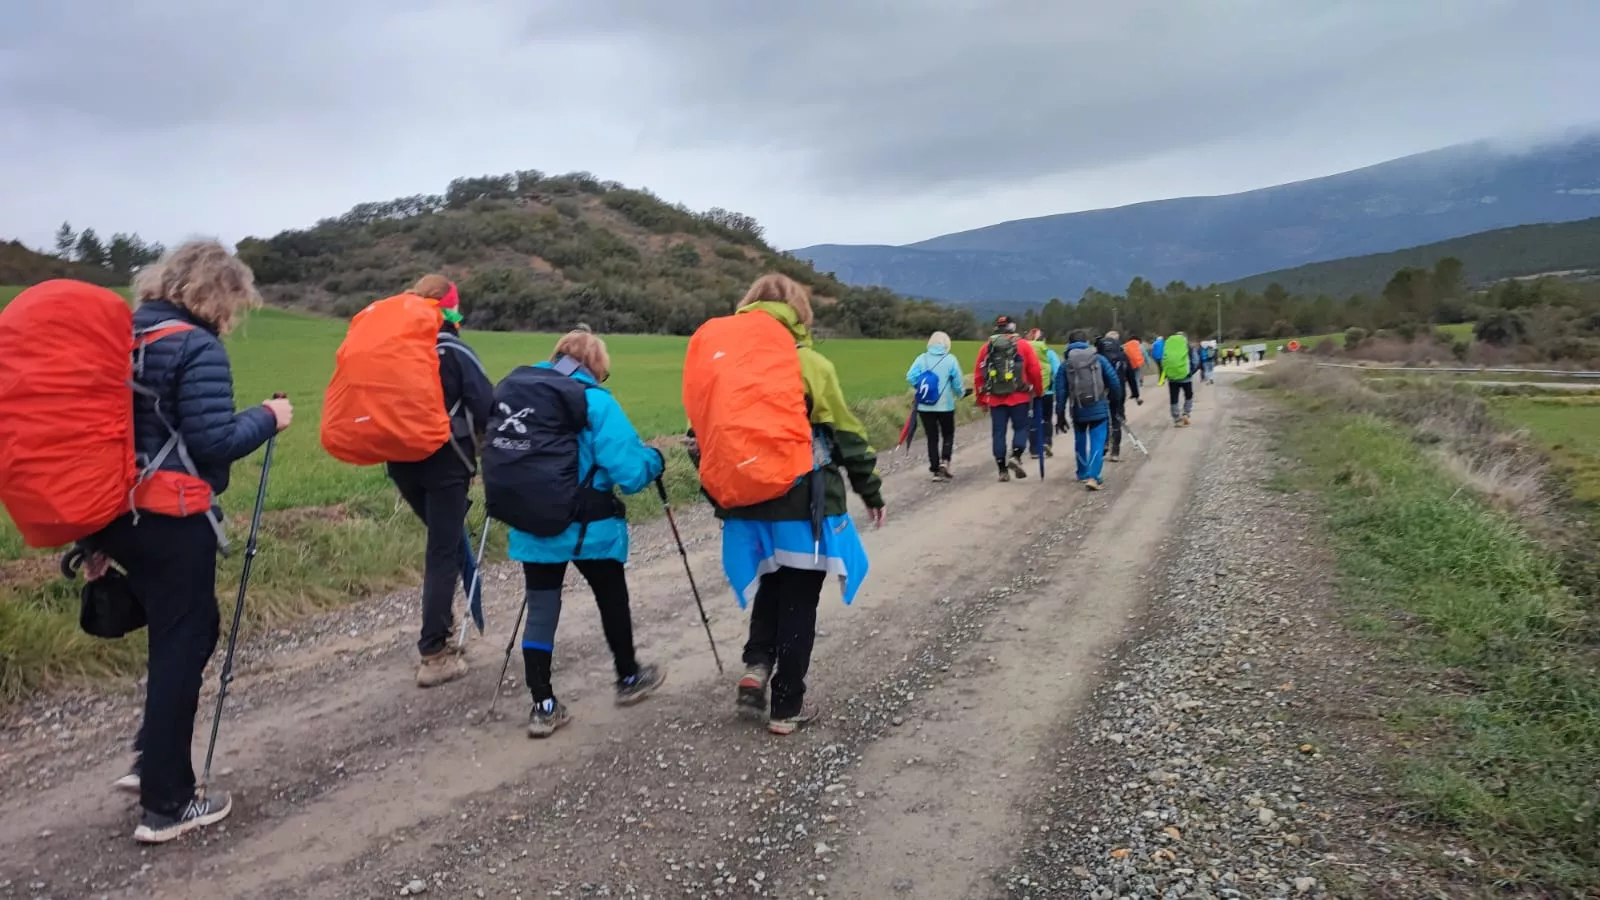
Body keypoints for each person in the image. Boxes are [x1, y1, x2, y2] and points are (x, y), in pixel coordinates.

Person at [81, 241, 293, 843]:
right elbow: (214, 441)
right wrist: (269, 416)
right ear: (217, 292)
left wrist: (93, 535)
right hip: (171, 518)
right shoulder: (196, 345)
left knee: (187, 630)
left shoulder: (121, 335)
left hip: (115, 514)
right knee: (185, 639)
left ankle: (152, 760)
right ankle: (167, 803)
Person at [697, 274, 884, 735]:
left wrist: (723, 495)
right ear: (800, 313)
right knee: (799, 598)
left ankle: (755, 667)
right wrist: (869, 489)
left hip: (744, 503)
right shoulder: (809, 364)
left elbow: (701, 438)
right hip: (803, 501)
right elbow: (845, 436)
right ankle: (786, 706)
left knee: (770, 584)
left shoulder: (720, 364)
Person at [507, 328, 668, 737]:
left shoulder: (518, 395)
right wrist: (656, 459)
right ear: (596, 367)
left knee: (542, 612)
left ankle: (543, 705)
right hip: (591, 529)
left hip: (532, 525)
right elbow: (630, 474)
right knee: (612, 599)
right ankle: (628, 679)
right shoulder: (595, 402)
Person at [385, 274, 495, 689]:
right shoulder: (453, 351)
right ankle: (433, 653)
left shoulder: (393, 350)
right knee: (443, 553)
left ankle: (443, 630)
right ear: (451, 310)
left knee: (442, 544)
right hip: (445, 464)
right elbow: (487, 408)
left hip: (400, 463)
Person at [974, 315, 1044, 482]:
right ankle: (1016, 456)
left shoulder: (987, 348)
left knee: (998, 433)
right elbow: (1034, 371)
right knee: (1021, 428)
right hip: (1020, 396)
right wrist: (1038, 391)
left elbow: (979, 375)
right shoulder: (1024, 346)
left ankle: (1001, 470)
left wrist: (981, 399)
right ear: (1012, 327)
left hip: (996, 398)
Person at [1056, 330, 1122, 490]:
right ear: (1086, 342)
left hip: (1078, 409)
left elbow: (1061, 392)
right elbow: (1114, 381)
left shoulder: (1066, 364)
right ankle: (1093, 476)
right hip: (1098, 406)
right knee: (1097, 442)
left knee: (1080, 441)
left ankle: (1082, 473)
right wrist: (1116, 402)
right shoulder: (1098, 359)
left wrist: (1060, 415)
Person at [905, 331, 965, 481]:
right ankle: (945, 462)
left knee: (932, 437)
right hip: (945, 405)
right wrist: (961, 393)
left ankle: (935, 470)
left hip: (925, 406)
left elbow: (910, 376)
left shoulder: (922, 358)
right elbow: (957, 383)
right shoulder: (950, 359)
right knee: (948, 434)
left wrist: (920, 387)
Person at [1095, 330, 1142, 462]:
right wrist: (1136, 394)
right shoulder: (1123, 355)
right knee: (1117, 419)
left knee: (1103, 418)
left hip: (1102, 391)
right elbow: (1131, 376)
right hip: (1119, 391)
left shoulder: (1098, 355)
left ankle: (1104, 443)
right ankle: (1115, 451)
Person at [1024, 328, 1059, 460]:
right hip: (1047, 391)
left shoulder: (1025, 353)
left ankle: (1034, 450)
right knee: (1046, 418)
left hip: (1030, 392)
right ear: (1043, 340)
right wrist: (1054, 388)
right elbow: (1056, 372)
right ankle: (1047, 442)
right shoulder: (1050, 353)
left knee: (1032, 420)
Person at [1161, 331, 1200, 426]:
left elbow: (1164, 360)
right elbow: (1195, 361)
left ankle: (1176, 419)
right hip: (1185, 376)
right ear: (1185, 338)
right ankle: (1186, 413)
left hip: (1172, 377)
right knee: (1188, 395)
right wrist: (1191, 372)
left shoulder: (1168, 346)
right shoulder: (1188, 347)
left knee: (1174, 397)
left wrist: (1167, 373)